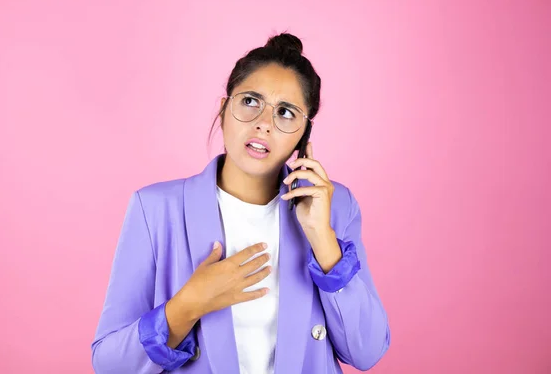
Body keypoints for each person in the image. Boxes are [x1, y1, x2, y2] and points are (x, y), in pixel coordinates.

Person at [91, 32, 390, 373]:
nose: (263, 124)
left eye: (286, 112)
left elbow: (367, 351)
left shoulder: (336, 207)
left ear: (303, 136)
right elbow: (110, 364)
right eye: (250, 101)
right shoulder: (155, 208)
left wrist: (322, 238)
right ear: (223, 110)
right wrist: (188, 304)